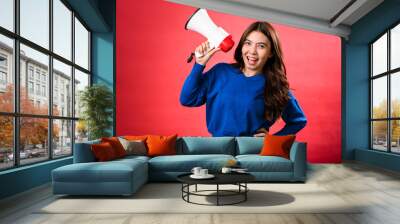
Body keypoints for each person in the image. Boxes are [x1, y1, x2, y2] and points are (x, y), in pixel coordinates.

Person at [180, 21, 307, 137]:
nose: (252, 51)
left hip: (252, 152)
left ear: (271, 53)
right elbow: (187, 99)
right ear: (241, 47)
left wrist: (273, 140)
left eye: (261, 46)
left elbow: (298, 121)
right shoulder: (220, 72)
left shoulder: (275, 86)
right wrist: (199, 64)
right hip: (217, 148)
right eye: (248, 43)